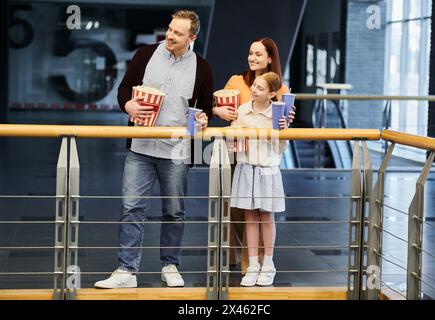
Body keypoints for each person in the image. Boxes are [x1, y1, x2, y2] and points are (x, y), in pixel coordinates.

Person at [94, 10, 213, 289]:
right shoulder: (146, 54)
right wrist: (128, 105)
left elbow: (205, 108)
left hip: (177, 150)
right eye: (170, 29)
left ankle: (170, 265)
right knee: (131, 207)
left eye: (178, 33)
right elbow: (124, 89)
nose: (170, 35)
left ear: (192, 37)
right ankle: (126, 270)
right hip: (140, 146)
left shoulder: (203, 67)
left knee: (174, 210)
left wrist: (204, 117)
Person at [212, 38, 294, 272]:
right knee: (238, 207)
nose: (252, 58)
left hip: (263, 157)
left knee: (261, 210)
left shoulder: (281, 89)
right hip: (236, 152)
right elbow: (216, 105)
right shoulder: (236, 81)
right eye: (250, 53)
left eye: (258, 54)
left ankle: (255, 262)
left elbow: (283, 124)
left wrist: (287, 118)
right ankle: (235, 255)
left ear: (270, 58)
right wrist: (217, 110)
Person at [230, 72, 287, 286]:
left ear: (272, 93)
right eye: (254, 86)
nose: (254, 90)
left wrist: (282, 129)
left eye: (260, 88)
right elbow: (233, 142)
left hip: (268, 169)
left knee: (266, 217)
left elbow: (281, 147)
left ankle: (269, 264)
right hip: (246, 167)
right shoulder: (242, 111)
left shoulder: (277, 114)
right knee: (250, 217)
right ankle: (253, 265)